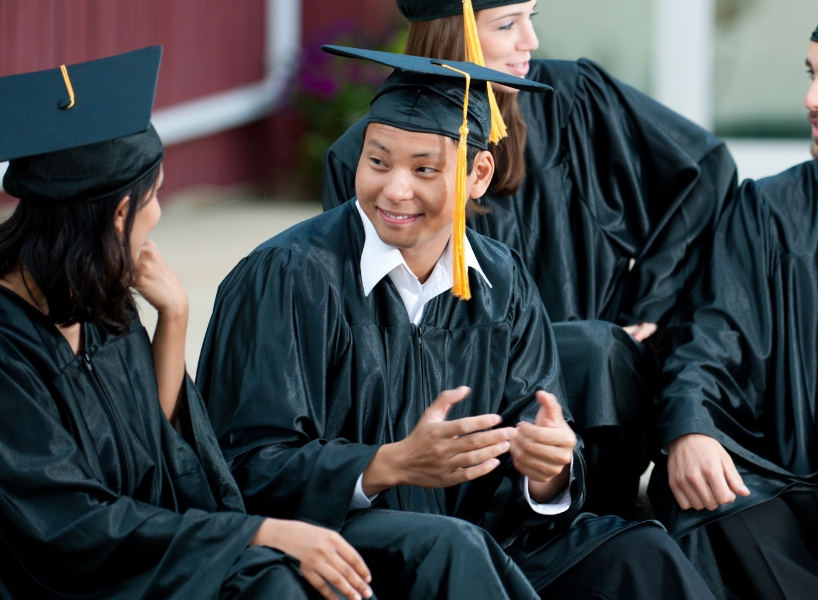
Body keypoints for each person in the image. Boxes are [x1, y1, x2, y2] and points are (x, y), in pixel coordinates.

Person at [198, 45, 716, 600]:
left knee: (639, 554)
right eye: (378, 161)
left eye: (425, 169)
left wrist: (547, 471)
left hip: (485, 539)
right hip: (342, 544)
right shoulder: (290, 275)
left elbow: (528, 463)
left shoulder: (502, 279)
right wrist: (389, 463)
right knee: (453, 547)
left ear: (479, 173)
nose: (395, 189)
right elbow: (242, 467)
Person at [0, 47, 377, 600]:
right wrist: (258, 531)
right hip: (32, 582)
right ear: (118, 214)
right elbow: (66, 529)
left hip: (113, 554)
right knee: (266, 583)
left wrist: (175, 316)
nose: (157, 214)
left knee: (276, 578)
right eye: (154, 197)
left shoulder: (92, 301)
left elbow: (151, 456)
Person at [321, 0, 738, 520]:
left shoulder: (574, 100)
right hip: (456, 382)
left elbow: (703, 169)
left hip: (587, 378)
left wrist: (646, 304)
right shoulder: (365, 159)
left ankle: (591, 521)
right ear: (458, 39)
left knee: (597, 349)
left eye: (530, 20)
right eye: (507, 24)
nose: (530, 42)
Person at [648, 26, 818, 600]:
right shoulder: (768, 212)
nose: (811, 100)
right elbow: (712, 339)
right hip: (795, 491)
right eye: (811, 74)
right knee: (703, 498)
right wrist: (691, 427)